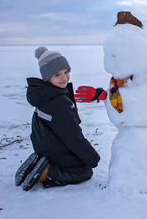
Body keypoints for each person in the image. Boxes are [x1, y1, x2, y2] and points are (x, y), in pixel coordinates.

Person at [14, 47, 100, 191]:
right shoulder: (58, 102)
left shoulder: (44, 94)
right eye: (57, 74)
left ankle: (40, 163)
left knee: (78, 161)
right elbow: (72, 135)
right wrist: (92, 157)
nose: (64, 78)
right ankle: (47, 173)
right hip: (55, 148)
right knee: (84, 171)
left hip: (44, 145)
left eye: (66, 72)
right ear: (47, 77)